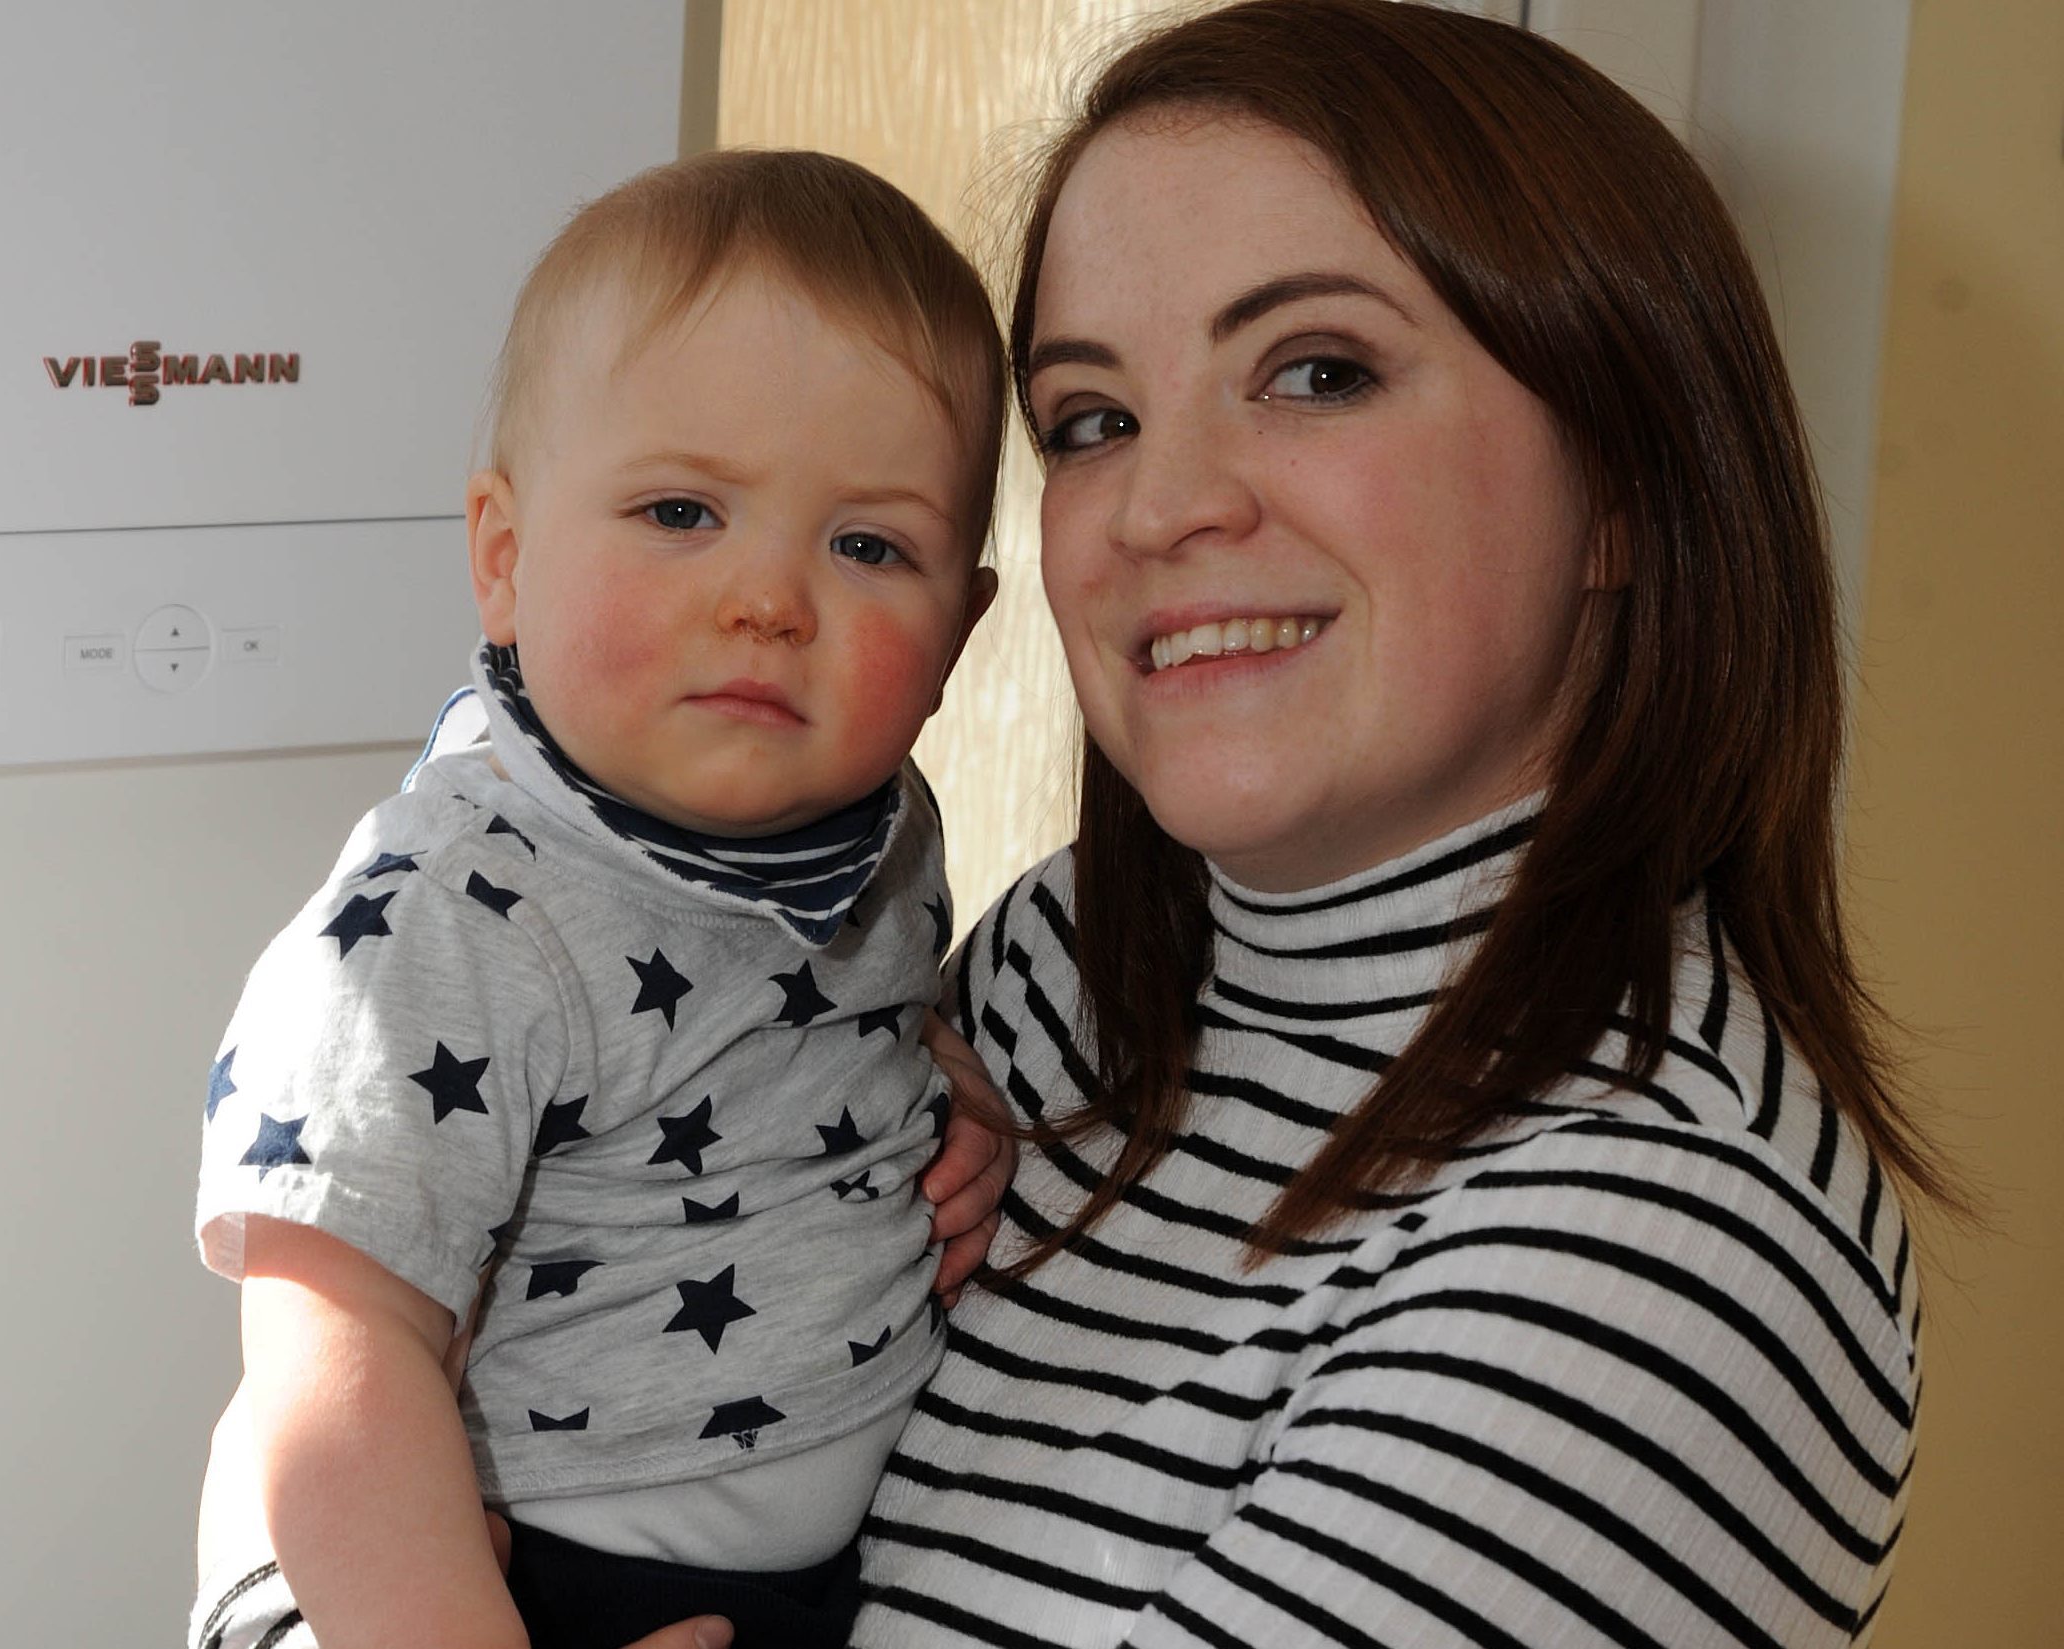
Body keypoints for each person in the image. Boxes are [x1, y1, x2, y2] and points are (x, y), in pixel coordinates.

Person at [851, 2, 1958, 1645]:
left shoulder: (1669, 1246)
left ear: (1629, 482)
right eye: (1094, 418)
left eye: (1317, 373)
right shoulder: (1053, 974)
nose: (1159, 507)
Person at [187, 150, 1007, 1649]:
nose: (770, 596)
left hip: (832, 1577)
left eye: (870, 544)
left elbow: (795, 1043)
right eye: (683, 512)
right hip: (532, 1586)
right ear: (503, 559)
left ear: (963, 623)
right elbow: (329, 1345)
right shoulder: (449, 917)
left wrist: (938, 1103)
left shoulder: (882, 834)